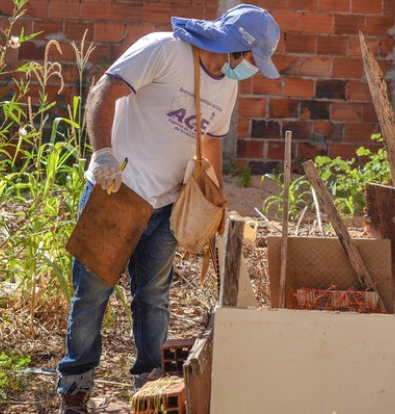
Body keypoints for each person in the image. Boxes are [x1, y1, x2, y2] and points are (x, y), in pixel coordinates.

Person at [56, 4, 281, 413]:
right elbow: (104, 91)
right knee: (92, 293)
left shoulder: (227, 86)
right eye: (251, 60)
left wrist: (214, 200)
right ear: (234, 47)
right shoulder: (163, 50)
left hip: (168, 204)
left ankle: (151, 388)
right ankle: (75, 388)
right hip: (118, 190)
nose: (250, 69)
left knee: (154, 296)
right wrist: (103, 153)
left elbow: (210, 141)